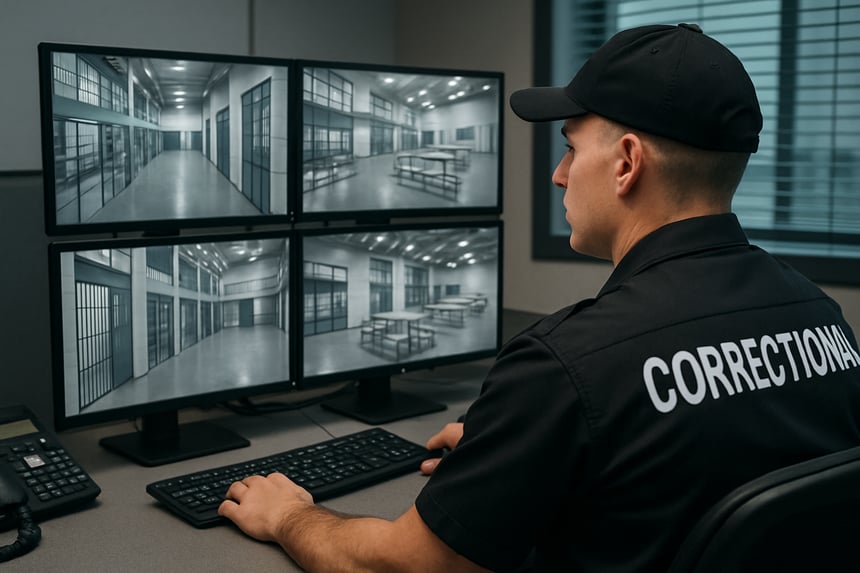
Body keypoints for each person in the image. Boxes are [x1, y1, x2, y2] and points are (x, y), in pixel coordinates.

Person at [218, 23, 860, 572]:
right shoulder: (824, 321)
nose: (557, 174)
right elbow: (712, 452)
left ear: (627, 163)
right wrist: (527, 450)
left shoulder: (568, 363)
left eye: (571, 148)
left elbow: (411, 564)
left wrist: (292, 518)